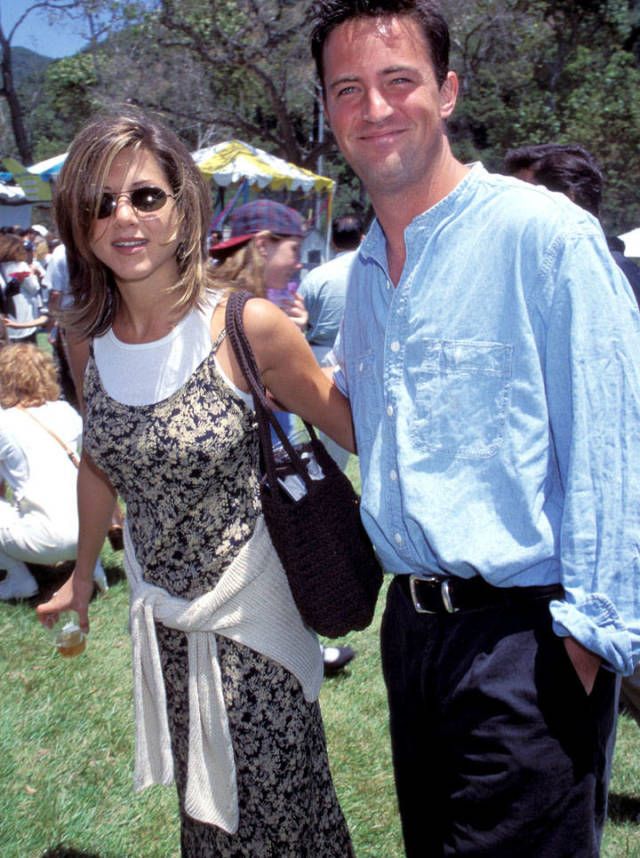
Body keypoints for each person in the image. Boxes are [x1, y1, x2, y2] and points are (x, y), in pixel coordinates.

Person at [310, 1, 640, 855]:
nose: (374, 109)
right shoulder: (366, 277)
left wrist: (588, 641)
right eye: (348, 89)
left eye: (398, 81)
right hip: (414, 636)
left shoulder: (544, 237)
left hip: (528, 643)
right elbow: (390, 440)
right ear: (327, 110)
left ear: (448, 91)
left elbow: (614, 445)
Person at [36, 108, 354, 857]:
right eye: (99, 202)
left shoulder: (249, 327)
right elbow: (97, 460)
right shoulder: (83, 339)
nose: (123, 216)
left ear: (183, 207)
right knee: (209, 820)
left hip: (257, 625)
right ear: (78, 224)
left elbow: (352, 430)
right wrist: (82, 575)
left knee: (277, 816)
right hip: (166, 628)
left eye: (145, 196)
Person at [210, 201, 357, 677]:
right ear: (262, 245)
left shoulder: (224, 301)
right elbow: (276, 396)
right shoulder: (247, 314)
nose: (299, 261)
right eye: (293, 248)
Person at [0, 343, 106, 600]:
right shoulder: (66, 412)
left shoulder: (4, 421)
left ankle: (19, 579)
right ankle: (94, 568)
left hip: (44, 540)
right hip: (90, 534)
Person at [504, 142, 640, 305]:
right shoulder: (542, 275)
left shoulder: (609, 277)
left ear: (567, 199)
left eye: (522, 200)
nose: (508, 211)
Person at [0, 233, 45, 344]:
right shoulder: (20, 266)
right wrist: (33, 272)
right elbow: (34, 288)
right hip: (23, 319)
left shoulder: (2, 266)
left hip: (5, 319)